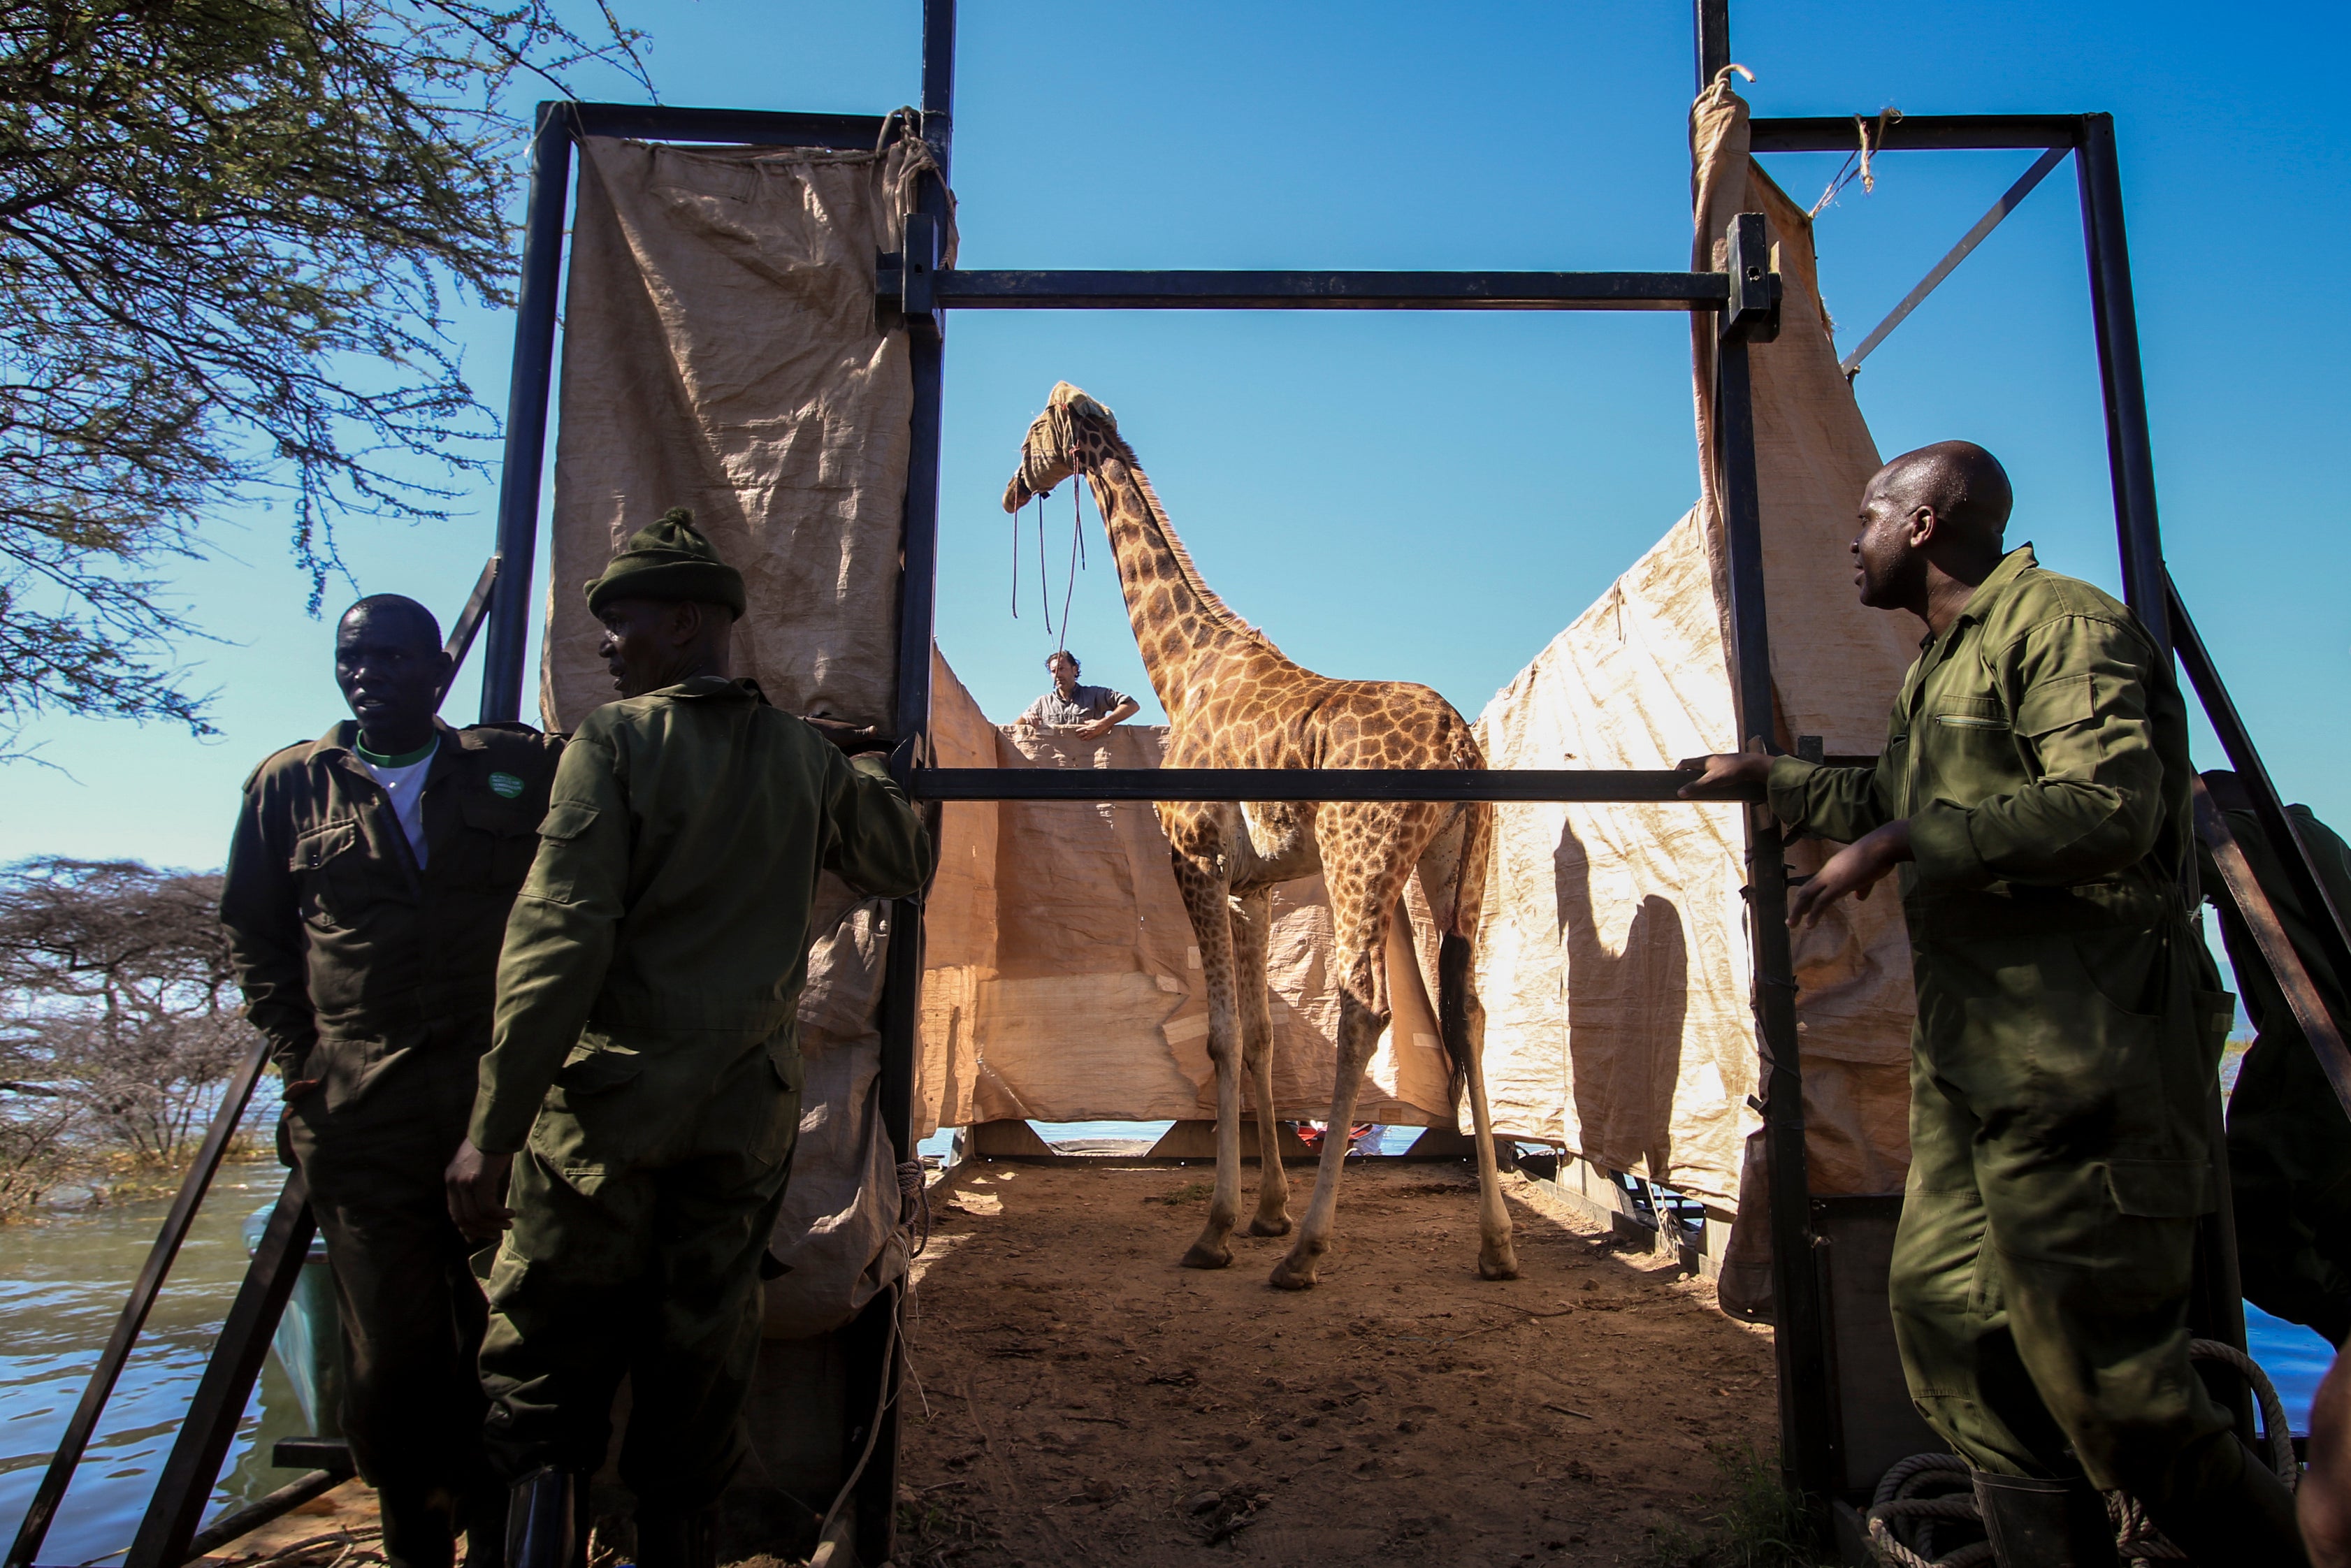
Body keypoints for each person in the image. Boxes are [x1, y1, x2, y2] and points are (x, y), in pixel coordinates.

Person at [1679, 442, 2306, 1566]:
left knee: (2118, 1395)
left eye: (1868, 517)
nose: (1851, 540)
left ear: (1923, 526)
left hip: (2088, 1070)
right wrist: (1780, 783)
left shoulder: (2065, 629)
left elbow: (2110, 804)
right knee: (1949, 1327)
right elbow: (1899, 788)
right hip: (1978, 1074)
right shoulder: (1942, 665)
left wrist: (1905, 840)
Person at [442, 510, 932, 1568]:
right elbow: (900, 861)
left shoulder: (610, 746)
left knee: (542, 1374)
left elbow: (555, 945)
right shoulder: (806, 760)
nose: (605, 648)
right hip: (742, 1121)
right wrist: (883, 773)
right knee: (701, 1368)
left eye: (620, 626)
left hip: (608, 1123)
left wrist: (494, 1126)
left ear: (682, 624)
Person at [220, 595, 564, 1568]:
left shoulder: (512, 770)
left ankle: (502, 1536)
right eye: (351, 658)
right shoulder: (290, 787)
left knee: (510, 1346)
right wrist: (303, 1062)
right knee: (395, 1362)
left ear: (435, 672)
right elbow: (254, 934)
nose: (365, 674)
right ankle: (415, 1534)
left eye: (389, 658)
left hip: (493, 1105)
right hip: (359, 1115)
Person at [2199, 769, 2351, 1346]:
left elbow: (2167, 849)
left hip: (2321, 1053)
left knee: (2240, 1222)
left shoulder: (2254, 839)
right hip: (2325, 1051)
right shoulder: (2319, 839)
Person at [1015, 648, 1138, 737]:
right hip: (1054, 768)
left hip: (1090, 765)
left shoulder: (1094, 694)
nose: (1057, 675)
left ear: (1075, 670)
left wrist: (1104, 724)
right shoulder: (1042, 703)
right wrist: (1025, 716)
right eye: (1053, 671)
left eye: (1062, 669)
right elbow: (1012, 730)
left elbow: (1132, 705)